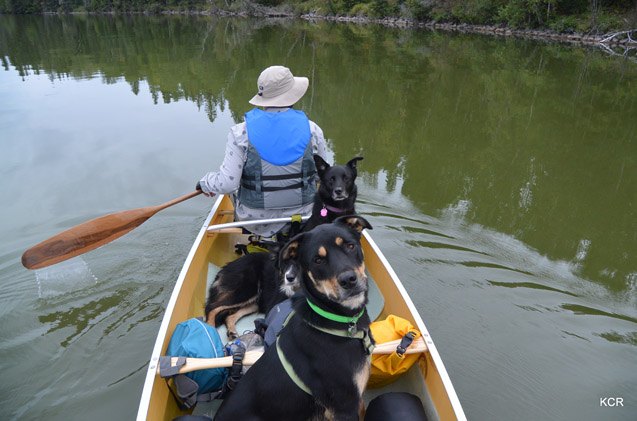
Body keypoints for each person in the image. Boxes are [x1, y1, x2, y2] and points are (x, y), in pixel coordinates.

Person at [197, 65, 328, 238]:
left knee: (232, 190)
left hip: (254, 222)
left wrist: (205, 183)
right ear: (292, 95)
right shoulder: (313, 130)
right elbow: (324, 176)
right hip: (304, 218)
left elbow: (228, 184)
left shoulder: (240, 132)